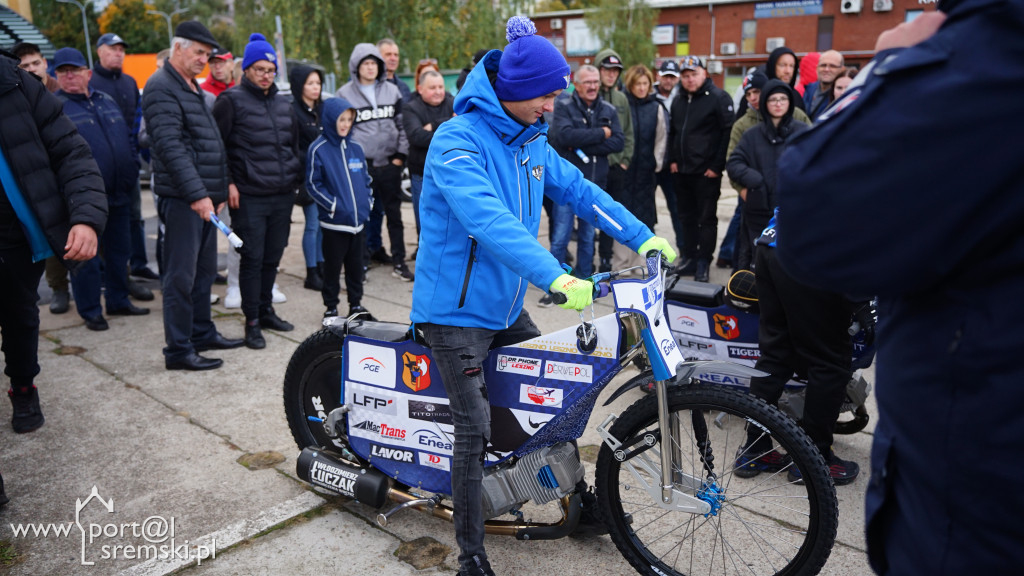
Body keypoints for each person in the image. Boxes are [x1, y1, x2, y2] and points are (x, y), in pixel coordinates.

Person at [410, 17, 676, 576]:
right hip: (454, 313)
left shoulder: (530, 139)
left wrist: (641, 235)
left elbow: (580, 191)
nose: (552, 106)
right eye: (546, 95)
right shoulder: (456, 141)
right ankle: (471, 553)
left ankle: (574, 502)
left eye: (557, 94)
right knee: (475, 426)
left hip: (505, 308)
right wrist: (556, 276)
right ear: (513, 91)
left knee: (552, 402)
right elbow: (490, 221)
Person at [775, 2, 1024, 573]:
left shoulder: (991, 49)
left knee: (826, 360)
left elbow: (812, 212)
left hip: (977, 501)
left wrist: (887, 67)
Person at [726, 81, 858, 487]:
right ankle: (814, 459)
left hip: (773, 241)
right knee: (829, 361)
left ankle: (755, 448)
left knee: (776, 355)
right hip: (807, 250)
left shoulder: (824, 130)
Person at [1, 47, 106, 436]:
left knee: (20, 319)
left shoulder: (16, 84)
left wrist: (85, 218)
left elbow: (72, 153)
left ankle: (24, 388)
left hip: (12, 238)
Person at [143, 21, 245, 371]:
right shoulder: (161, 87)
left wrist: (214, 192)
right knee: (180, 277)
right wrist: (199, 195)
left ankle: (202, 331)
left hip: (204, 199)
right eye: (198, 52)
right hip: (185, 200)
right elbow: (171, 148)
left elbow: (207, 144)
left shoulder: (190, 86)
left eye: (207, 53)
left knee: (203, 274)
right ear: (177, 48)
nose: (204, 58)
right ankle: (178, 349)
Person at [213, 33, 301, 350]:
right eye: (259, 69)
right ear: (247, 69)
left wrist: (295, 178)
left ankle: (266, 311)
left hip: (281, 194)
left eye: (270, 69)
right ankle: (251, 322)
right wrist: (229, 183)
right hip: (248, 196)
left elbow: (292, 146)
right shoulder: (230, 101)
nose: (265, 75)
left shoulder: (282, 103)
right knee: (252, 259)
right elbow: (217, 148)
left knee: (272, 258)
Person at [54, 47, 150, 330]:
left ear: (88, 73)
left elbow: (126, 138)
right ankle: (91, 310)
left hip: (119, 192)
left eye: (74, 70)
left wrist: (131, 166)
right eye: (62, 71)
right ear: (56, 76)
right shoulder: (55, 108)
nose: (69, 75)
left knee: (120, 252)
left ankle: (119, 300)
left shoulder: (105, 99)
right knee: (87, 259)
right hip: (82, 201)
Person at [544, 64, 624, 302]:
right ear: (576, 84)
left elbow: (618, 142)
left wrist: (583, 142)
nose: (592, 86)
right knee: (560, 236)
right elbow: (563, 136)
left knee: (588, 237)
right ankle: (555, 286)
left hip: (595, 185)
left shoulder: (608, 108)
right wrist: (602, 134)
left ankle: (584, 282)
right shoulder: (563, 106)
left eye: (596, 82)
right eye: (587, 82)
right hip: (566, 187)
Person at [336, 43, 413, 281]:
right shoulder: (344, 94)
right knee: (363, 215)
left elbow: (402, 126)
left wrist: (400, 156)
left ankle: (399, 261)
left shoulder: (392, 91)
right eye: (365, 63)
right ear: (356, 66)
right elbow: (343, 131)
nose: (370, 68)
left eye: (373, 63)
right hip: (362, 165)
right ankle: (361, 261)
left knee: (394, 216)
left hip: (390, 163)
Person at [90, 33, 158, 297]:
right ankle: (109, 277)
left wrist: (133, 160)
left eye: (122, 49)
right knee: (104, 226)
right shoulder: (92, 83)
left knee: (133, 220)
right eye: (113, 49)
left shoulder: (130, 83)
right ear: (99, 51)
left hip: (127, 166)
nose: (119, 53)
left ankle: (135, 268)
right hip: (99, 172)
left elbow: (135, 124)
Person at [726, 70, 810, 271]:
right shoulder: (751, 134)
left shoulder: (802, 131)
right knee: (759, 263)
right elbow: (734, 162)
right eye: (773, 99)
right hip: (759, 211)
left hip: (793, 210)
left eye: (783, 99)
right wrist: (754, 181)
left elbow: (818, 162)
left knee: (791, 263)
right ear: (765, 103)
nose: (778, 103)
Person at [12, 41, 71, 314]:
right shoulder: (16, 97)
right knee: (54, 236)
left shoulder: (63, 93)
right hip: (43, 181)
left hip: (70, 172)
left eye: (35, 63)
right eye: (24, 66)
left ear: (45, 63)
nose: (31, 69)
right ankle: (59, 288)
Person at [306, 98, 375, 320]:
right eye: (341, 119)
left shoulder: (356, 147)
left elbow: (366, 180)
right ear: (329, 119)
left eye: (349, 119)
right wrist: (333, 206)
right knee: (333, 269)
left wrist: (368, 203)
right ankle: (331, 307)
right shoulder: (318, 149)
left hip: (358, 224)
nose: (345, 124)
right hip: (335, 224)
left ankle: (356, 305)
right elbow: (313, 184)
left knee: (356, 268)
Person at [668, 55, 733, 282]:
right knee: (686, 217)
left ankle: (704, 261)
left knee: (706, 219)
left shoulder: (718, 98)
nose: (689, 79)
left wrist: (717, 165)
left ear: (704, 73)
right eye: (685, 76)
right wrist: (673, 160)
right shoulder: (678, 100)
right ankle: (690, 258)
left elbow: (727, 133)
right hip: (682, 171)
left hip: (706, 172)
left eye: (694, 74)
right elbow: (674, 133)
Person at [617, 64, 667, 272]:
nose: (641, 88)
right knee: (621, 217)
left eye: (645, 83)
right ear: (631, 85)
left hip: (646, 172)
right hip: (626, 170)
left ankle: (640, 264)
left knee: (644, 218)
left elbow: (661, 138)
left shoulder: (655, 107)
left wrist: (656, 163)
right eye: (637, 84)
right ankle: (621, 265)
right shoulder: (623, 105)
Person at [593, 48, 634, 273]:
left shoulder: (621, 99)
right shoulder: (590, 95)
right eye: (607, 70)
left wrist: (625, 160)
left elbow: (628, 133)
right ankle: (587, 258)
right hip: (594, 165)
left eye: (615, 71)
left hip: (617, 167)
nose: (611, 75)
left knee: (611, 216)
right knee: (592, 215)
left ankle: (606, 258)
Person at [402, 68, 454, 241]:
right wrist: (449, 125)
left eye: (440, 86)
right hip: (422, 174)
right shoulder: (410, 108)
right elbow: (417, 137)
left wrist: (433, 125)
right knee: (425, 219)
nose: (438, 91)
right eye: (432, 88)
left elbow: (462, 125)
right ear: (420, 89)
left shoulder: (452, 102)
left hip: (450, 171)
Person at [289, 63, 327, 292]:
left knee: (323, 224)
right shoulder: (293, 111)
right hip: (306, 177)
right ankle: (311, 272)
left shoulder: (323, 109)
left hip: (324, 176)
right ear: (300, 86)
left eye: (318, 83)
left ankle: (321, 265)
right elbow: (293, 147)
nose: (316, 88)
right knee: (312, 224)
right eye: (310, 83)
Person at [653, 59, 684, 263]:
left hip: (671, 163)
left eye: (673, 77)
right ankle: (651, 251)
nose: (669, 80)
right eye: (666, 76)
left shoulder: (682, 97)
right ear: (659, 76)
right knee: (647, 209)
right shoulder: (649, 95)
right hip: (651, 162)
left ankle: (682, 247)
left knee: (676, 207)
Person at [803, 50, 845, 121]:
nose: (826, 69)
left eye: (832, 66)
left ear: (842, 70)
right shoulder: (809, 89)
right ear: (817, 68)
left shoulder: (844, 94)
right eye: (823, 65)